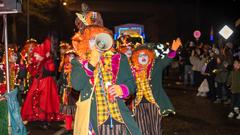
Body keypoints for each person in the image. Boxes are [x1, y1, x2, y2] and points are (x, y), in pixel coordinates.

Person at [71, 25, 142, 135]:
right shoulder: (79, 62)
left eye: (99, 38)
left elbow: (132, 83)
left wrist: (123, 89)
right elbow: (77, 85)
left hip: (118, 117)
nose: (96, 42)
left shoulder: (119, 58)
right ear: (85, 41)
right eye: (92, 39)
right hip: (93, 119)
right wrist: (91, 64)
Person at [130, 38, 181, 135]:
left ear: (149, 55)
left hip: (154, 103)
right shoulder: (133, 69)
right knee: (141, 128)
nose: (143, 57)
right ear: (136, 57)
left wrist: (173, 50)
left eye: (145, 55)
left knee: (155, 128)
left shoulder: (156, 65)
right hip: (138, 104)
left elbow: (167, 59)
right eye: (140, 55)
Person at [21, 38, 62, 129]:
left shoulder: (47, 62)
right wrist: (31, 65)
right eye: (35, 53)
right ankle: (42, 119)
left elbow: (51, 69)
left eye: (36, 53)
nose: (35, 55)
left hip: (46, 85)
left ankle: (46, 120)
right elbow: (33, 73)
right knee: (36, 101)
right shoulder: (36, 62)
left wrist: (47, 58)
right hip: (38, 84)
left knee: (46, 102)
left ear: (40, 54)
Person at [59, 49, 79, 134]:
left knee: (77, 110)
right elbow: (61, 79)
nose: (70, 58)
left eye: (72, 56)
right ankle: (68, 127)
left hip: (76, 90)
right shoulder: (64, 66)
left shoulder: (78, 66)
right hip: (67, 91)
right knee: (68, 110)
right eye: (69, 56)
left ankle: (77, 127)